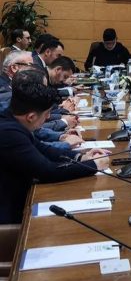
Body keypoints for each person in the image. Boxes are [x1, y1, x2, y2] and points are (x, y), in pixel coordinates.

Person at [0, 74, 109, 224]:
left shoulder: (11, 119)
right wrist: (94, 165)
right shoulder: (8, 132)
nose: (49, 117)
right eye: (47, 114)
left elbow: (43, 149)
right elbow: (47, 171)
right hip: (11, 213)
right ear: (31, 117)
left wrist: (80, 157)